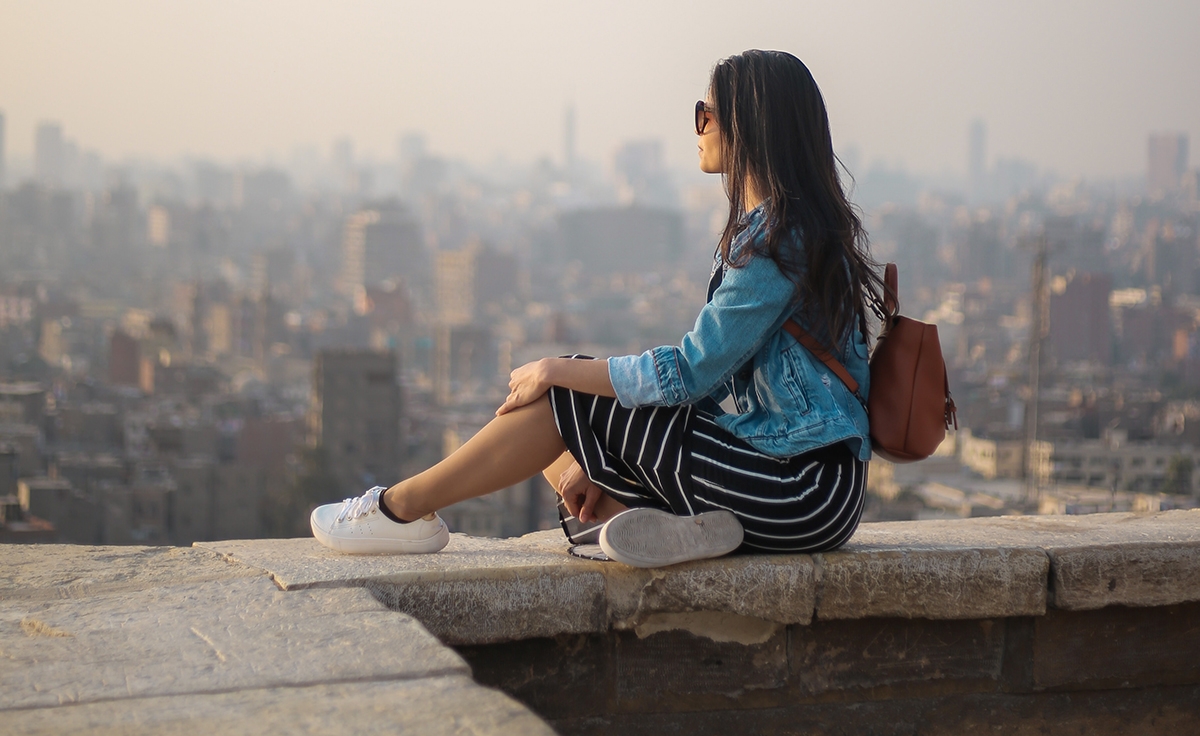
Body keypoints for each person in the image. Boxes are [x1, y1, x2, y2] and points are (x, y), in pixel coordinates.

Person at [311, 49, 886, 567]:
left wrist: (561, 367)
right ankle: (667, 522)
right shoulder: (785, 231)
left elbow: (689, 373)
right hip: (792, 487)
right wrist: (604, 458)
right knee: (556, 419)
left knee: (557, 392)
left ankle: (399, 510)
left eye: (706, 113)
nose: (699, 127)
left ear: (751, 123)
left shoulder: (780, 241)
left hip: (803, 490)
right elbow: (714, 386)